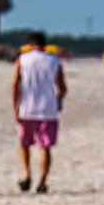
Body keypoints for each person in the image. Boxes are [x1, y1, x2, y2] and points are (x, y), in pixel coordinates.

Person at [12, 35, 65, 193]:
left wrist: (15, 105)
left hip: (26, 108)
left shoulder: (22, 60)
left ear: (30, 44)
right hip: (48, 109)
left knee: (24, 144)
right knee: (45, 147)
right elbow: (62, 88)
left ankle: (26, 173)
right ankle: (42, 182)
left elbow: (15, 84)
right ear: (45, 44)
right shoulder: (54, 61)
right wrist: (58, 101)